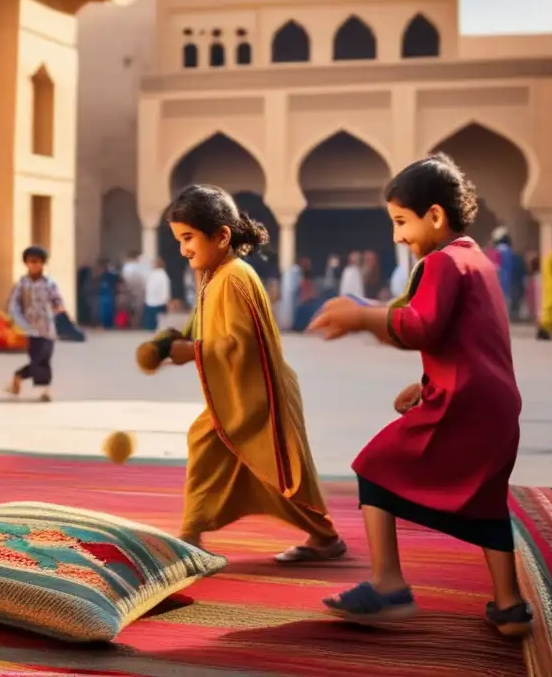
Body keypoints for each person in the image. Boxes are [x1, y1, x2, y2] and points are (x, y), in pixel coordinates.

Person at [308, 153, 531, 637]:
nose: (396, 236)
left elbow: (422, 326)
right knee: (487, 500)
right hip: (495, 405)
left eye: (401, 222)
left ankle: (388, 585)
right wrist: (428, 383)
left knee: (375, 466)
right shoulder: (479, 261)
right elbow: (472, 341)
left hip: (465, 403)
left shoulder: (443, 263)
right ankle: (509, 607)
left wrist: (363, 317)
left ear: (435, 216)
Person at [146, 184, 346, 562]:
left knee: (275, 469)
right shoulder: (215, 275)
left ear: (221, 236)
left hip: (260, 394)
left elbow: (241, 342)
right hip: (240, 394)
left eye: (188, 238)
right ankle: (192, 532)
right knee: (220, 448)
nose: (183, 249)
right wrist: (174, 342)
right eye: (179, 239)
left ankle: (323, 536)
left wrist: (193, 351)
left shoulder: (235, 278)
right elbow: (201, 324)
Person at [6, 245, 65, 402]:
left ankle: (39, 386)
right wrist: (19, 321)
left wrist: (58, 306)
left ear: (43, 263)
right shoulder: (22, 284)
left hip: (47, 327)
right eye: (31, 261)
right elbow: (13, 304)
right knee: (38, 360)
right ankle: (34, 385)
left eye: (38, 262)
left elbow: (57, 299)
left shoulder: (49, 283)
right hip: (31, 329)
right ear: (26, 263)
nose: (34, 265)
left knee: (45, 358)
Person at [143, 257, 171, 332]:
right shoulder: (151, 274)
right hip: (150, 300)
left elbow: (165, 288)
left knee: (159, 318)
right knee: (150, 319)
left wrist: (166, 299)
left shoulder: (162, 274)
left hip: (160, 301)